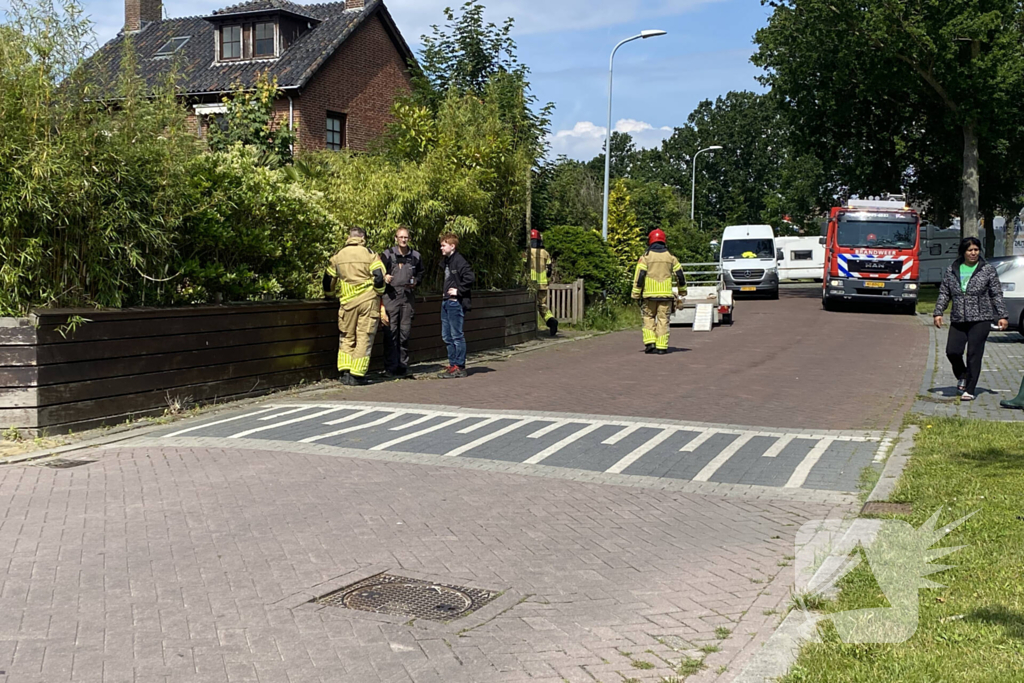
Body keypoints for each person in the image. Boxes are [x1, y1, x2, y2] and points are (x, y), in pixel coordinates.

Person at [933, 236, 1009, 401]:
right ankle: (963, 375)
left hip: (981, 318)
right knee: (952, 351)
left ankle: (970, 389)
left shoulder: (987, 270)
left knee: (974, 354)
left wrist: (1002, 315)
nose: (973, 253)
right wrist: (938, 312)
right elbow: (944, 293)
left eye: (976, 250)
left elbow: (996, 293)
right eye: (970, 250)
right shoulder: (952, 269)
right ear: (963, 252)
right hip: (959, 318)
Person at [323, 227, 386, 386]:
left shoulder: (338, 255)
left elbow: (328, 279)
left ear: (349, 237)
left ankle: (345, 371)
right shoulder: (370, 254)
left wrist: (330, 295)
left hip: (347, 303)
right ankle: (357, 374)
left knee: (346, 336)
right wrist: (379, 292)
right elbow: (379, 277)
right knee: (364, 336)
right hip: (368, 301)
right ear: (363, 238)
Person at [631, 229, 687, 355]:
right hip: (665, 296)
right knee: (663, 320)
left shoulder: (645, 258)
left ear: (650, 241)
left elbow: (639, 276)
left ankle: (650, 343)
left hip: (649, 296)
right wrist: (682, 291)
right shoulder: (671, 257)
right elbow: (680, 275)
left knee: (648, 318)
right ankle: (661, 347)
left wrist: (636, 294)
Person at [380, 227, 424, 376]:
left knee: (405, 333)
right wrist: (385, 277)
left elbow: (421, 273)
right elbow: (377, 273)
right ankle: (390, 368)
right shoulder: (387, 255)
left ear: (409, 239)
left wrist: (416, 281)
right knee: (390, 333)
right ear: (396, 238)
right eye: (401, 237)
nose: (403, 240)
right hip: (390, 297)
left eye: (406, 237)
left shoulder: (415, 256)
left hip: (407, 298)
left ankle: (403, 366)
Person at [438, 233, 475, 379]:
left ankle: (460, 366)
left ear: (452, 246)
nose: (441, 248)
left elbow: (470, 277)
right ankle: (453, 364)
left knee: (456, 335)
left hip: (455, 303)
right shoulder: (447, 261)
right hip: (446, 301)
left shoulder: (459, 260)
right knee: (446, 335)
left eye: (443, 245)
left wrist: (458, 291)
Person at [526, 229, 558, 336]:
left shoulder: (527, 252)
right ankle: (551, 320)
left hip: (531, 284)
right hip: (543, 284)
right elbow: (549, 271)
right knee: (542, 305)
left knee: (529, 305)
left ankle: (530, 328)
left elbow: (522, 267)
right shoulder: (545, 253)